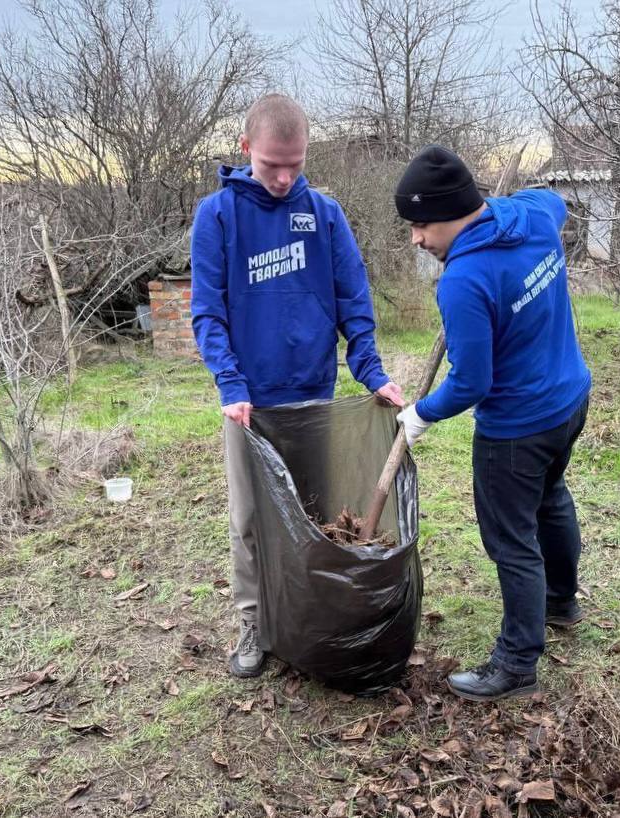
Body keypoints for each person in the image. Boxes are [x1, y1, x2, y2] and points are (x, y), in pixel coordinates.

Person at [190, 94, 404, 678]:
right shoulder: (217, 217)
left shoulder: (325, 214)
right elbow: (207, 313)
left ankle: (310, 612)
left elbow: (353, 303)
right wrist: (230, 384)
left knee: (311, 513)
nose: (284, 178)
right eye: (270, 165)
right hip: (250, 407)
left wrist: (373, 373)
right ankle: (254, 622)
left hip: (314, 397)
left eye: (296, 164)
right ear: (244, 151)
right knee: (252, 519)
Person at [393, 145, 592, 701]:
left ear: (454, 211)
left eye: (422, 224)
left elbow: (470, 383)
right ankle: (561, 602)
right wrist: (502, 209)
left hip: (517, 428)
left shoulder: (463, 281)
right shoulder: (529, 213)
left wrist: (419, 417)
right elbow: (556, 202)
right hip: (569, 399)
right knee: (551, 498)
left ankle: (517, 662)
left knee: (511, 540)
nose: (416, 238)